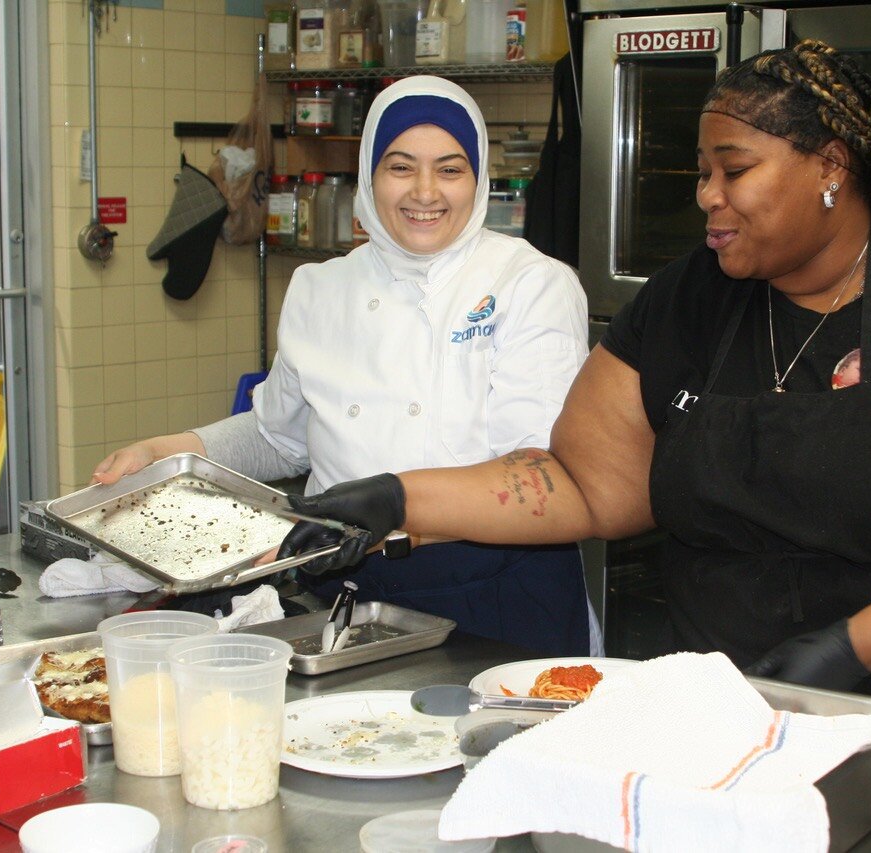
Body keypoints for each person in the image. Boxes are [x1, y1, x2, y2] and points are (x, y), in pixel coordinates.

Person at [275, 42, 871, 790]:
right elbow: (585, 481)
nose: (705, 196)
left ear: (832, 168)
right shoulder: (692, 299)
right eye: (701, 173)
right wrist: (399, 498)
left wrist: (851, 649)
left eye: (734, 171)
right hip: (738, 743)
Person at [95, 76, 596, 656]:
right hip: (352, 591)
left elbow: (539, 476)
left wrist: (391, 509)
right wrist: (170, 452)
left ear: (479, 179)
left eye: (451, 169)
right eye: (401, 167)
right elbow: (276, 436)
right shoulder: (320, 288)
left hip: (498, 593)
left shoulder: (530, 284)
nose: (426, 192)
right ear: (370, 175)